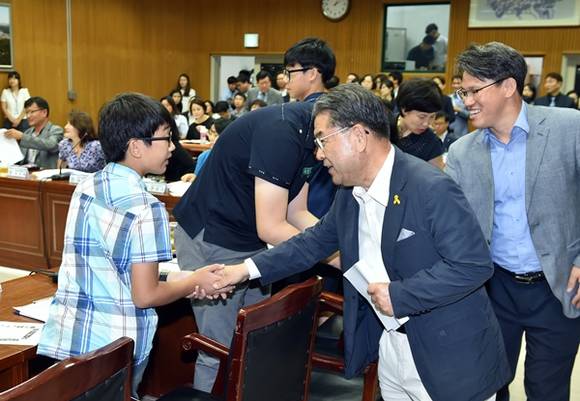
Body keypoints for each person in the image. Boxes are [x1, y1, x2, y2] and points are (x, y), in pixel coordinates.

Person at [212, 84, 509, 401]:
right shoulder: (349, 193)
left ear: (358, 136)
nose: (318, 154)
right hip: (391, 347)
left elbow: (473, 265)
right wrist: (242, 271)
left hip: (450, 356)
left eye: (323, 140)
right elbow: (310, 243)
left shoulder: (430, 187)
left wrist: (400, 295)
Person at [171, 37, 336, 392]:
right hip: (212, 235)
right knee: (217, 346)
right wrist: (335, 255)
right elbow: (272, 227)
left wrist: (336, 245)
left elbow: (297, 212)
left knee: (256, 338)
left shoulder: (312, 138)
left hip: (250, 243)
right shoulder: (283, 131)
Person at [36, 92, 225, 399]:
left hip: (71, 336)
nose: (173, 147)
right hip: (116, 347)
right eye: (166, 138)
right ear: (136, 146)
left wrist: (180, 278)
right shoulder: (146, 207)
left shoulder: (86, 186)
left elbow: (114, 265)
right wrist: (194, 281)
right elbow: (145, 295)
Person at [446, 41, 580, 401]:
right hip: (493, 288)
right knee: (490, 387)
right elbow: (452, 227)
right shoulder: (461, 153)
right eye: (462, 92)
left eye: (474, 90)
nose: (466, 101)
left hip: (557, 286)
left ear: (508, 86)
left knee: (547, 390)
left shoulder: (570, 128)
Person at [393, 78, 445, 169]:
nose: (426, 124)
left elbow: (437, 175)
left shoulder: (431, 142)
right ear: (404, 109)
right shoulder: (383, 126)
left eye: (432, 117)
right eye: (422, 117)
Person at [3, 96, 63, 169]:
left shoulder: (56, 130)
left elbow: (50, 145)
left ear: (44, 112)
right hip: (25, 172)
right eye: (27, 112)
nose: (28, 116)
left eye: (32, 112)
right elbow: (19, 158)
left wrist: (22, 137)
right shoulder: (28, 132)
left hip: (45, 173)